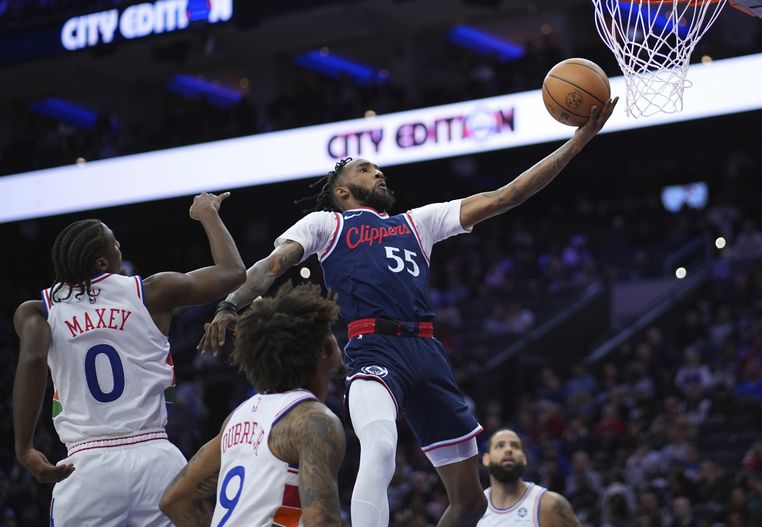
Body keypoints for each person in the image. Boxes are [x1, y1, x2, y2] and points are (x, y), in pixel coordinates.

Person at [200, 98, 618, 526]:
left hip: (426, 351)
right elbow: (269, 267)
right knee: (381, 447)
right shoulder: (326, 224)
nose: (377, 172)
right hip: (373, 348)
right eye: (364, 169)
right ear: (342, 191)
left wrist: (578, 141)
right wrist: (231, 303)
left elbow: (506, 195)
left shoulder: (419, 223)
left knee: (471, 501)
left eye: (377, 168)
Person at [13, 192, 245, 526]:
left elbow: (33, 360)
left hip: (86, 467)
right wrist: (207, 213)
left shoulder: (39, 311)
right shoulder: (151, 293)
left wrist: (24, 448)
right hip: (155, 459)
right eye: (115, 244)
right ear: (102, 263)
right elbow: (232, 271)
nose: (120, 248)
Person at [159, 283, 346, 526]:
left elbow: (175, 500)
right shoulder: (314, 421)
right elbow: (321, 522)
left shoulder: (238, 416)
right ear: (323, 349)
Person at [478, 429, 582, 526]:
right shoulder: (474, 508)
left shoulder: (550, 505)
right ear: (486, 459)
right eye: (500, 446)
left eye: (515, 446)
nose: (508, 450)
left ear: (524, 459)